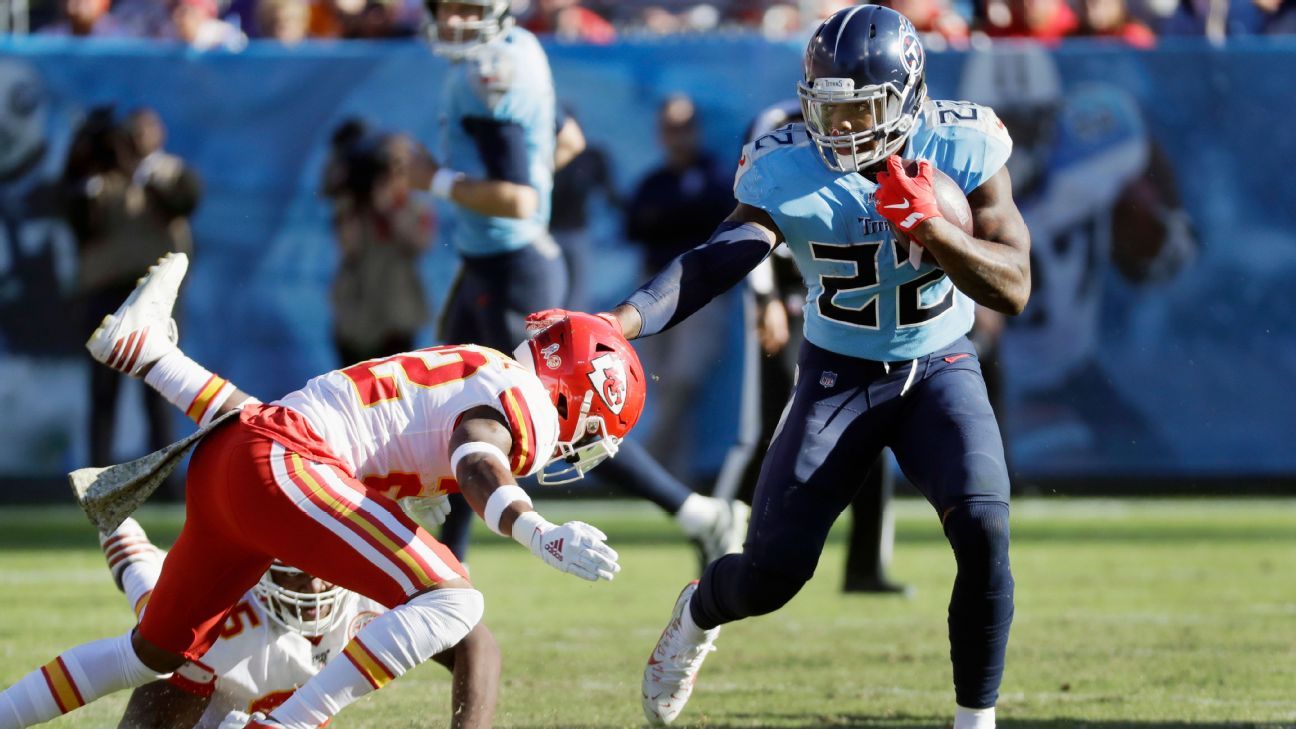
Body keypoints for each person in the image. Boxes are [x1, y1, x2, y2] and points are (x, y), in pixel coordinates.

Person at [537, 6, 1031, 727]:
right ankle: (698, 609)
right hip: (841, 376)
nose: (842, 131)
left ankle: (975, 720)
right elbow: (716, 260)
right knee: (771, 574)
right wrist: (622, 320)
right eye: (828, 111)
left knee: (985, 526)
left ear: (907, 97)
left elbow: (1013, 285)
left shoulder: (964, 141)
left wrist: (933, 228)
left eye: (860, 110)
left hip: (940, 364)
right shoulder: (786, 162)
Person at [0, 251, 636, 729]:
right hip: (280, 466)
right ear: (576, 391)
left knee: (150, 652)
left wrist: (160, 366)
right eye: (594, 429)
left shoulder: (479, 364)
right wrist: (534, 528)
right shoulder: (521, 405)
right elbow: (475, 458)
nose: (580, 445)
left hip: (234, 460)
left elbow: (266, 427)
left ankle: (147, 354)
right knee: (455, 601)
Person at [416, 0, 746, 568]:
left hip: (510, 264)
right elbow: (565, 143)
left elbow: (517, 196)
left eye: (467, 8)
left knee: (561, 415)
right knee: (456, 409)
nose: (453, 21)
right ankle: (448, 565)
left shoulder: (487, 72)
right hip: (493, 262)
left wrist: (435, 179)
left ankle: (698, 511)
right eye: (447, 9)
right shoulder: (517, 51)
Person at [739, 99, 911, 596]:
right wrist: (765, 294)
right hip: (794, 292)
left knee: (875, 423)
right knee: (770, 428)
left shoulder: (888, 118)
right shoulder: (774, 123)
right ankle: (729, 539)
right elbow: (748, 217)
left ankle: (866, 565)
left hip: (857, 297)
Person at [98, 517, 499, 729]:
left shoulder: (368, 593)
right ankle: (122, 538)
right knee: (156, 611)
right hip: (215, 697)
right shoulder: (221, 627)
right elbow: (144, 723)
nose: (314, 587)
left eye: (321, 568)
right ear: (260, 571)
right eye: (293, 573)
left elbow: (474, 642)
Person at [64, 106, 201, 487]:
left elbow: (183, 201)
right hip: (106, 290)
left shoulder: (169, 171)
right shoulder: (99, 179)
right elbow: (77, 221)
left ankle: (163, 482)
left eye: (146, 129)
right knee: (103, 389)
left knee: (160, 386)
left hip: (154, 294)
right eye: (131, 132)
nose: (138, 138)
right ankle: (98, 479)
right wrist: (84, 163)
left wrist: (142, 171)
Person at [322, 122, 435, 365]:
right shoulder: (351, 206)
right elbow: (348, 247)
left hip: (398, 310)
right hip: (356, 314)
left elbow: (419, 244)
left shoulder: (413, 207)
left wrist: (390, 209)